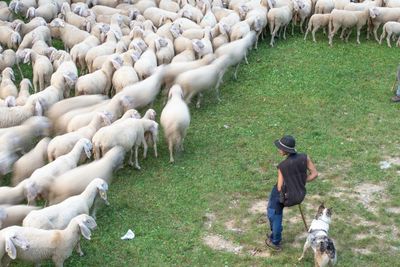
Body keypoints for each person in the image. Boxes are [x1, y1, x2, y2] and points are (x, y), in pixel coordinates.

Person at [265, 135, 318, 251]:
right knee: (274, 215)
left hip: (283, 195)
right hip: (298, 194)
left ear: (285, 150)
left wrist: (291, 184)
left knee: (273, 213)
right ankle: (275, 233)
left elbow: (279, 187)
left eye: (280, 148)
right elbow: (314, 174)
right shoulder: (305, 157)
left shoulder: (282, 166)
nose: (278, 149)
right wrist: (300, 182)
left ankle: (275, 241)